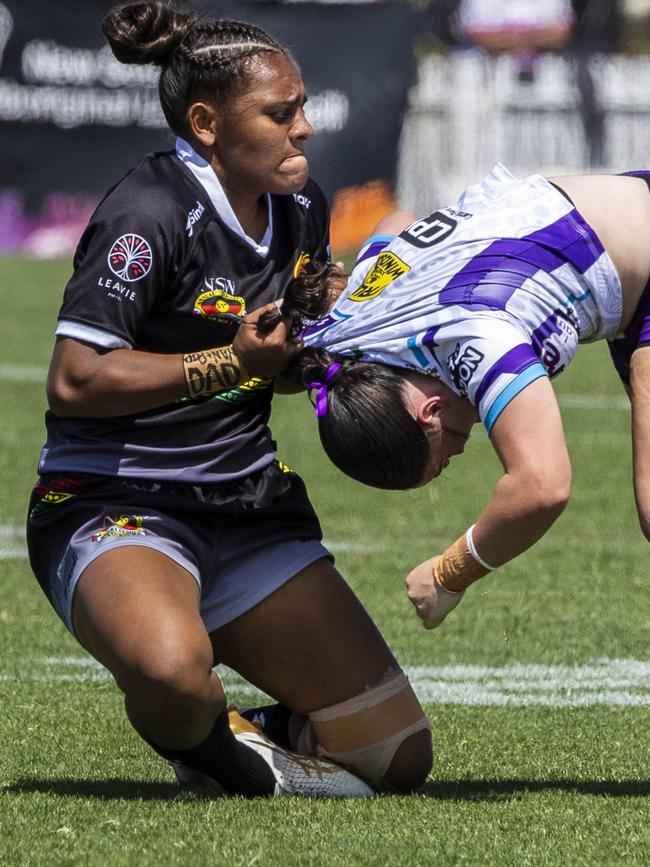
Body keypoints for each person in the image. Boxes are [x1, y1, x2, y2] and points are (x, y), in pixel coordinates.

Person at [26, 1, 433, 798]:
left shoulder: (303, 209)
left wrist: (330, 357)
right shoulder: (147, 213)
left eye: (304, 107)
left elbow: (276, 364)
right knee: (174, 671)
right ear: (207, 123)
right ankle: (219, 752)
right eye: (281, 113)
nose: (305, 128)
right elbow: (76, 377)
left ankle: (236, 720)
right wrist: (228, 361)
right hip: (116, 504)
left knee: (398, 754)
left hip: (246, 506)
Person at [271, 163, 650, 630]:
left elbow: (543, 485)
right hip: (623, 229)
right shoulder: (350, 322)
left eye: (446, 453)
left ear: (428, 413)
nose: (464, 444)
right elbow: (396, 221)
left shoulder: (475, 338)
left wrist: (449, 574)